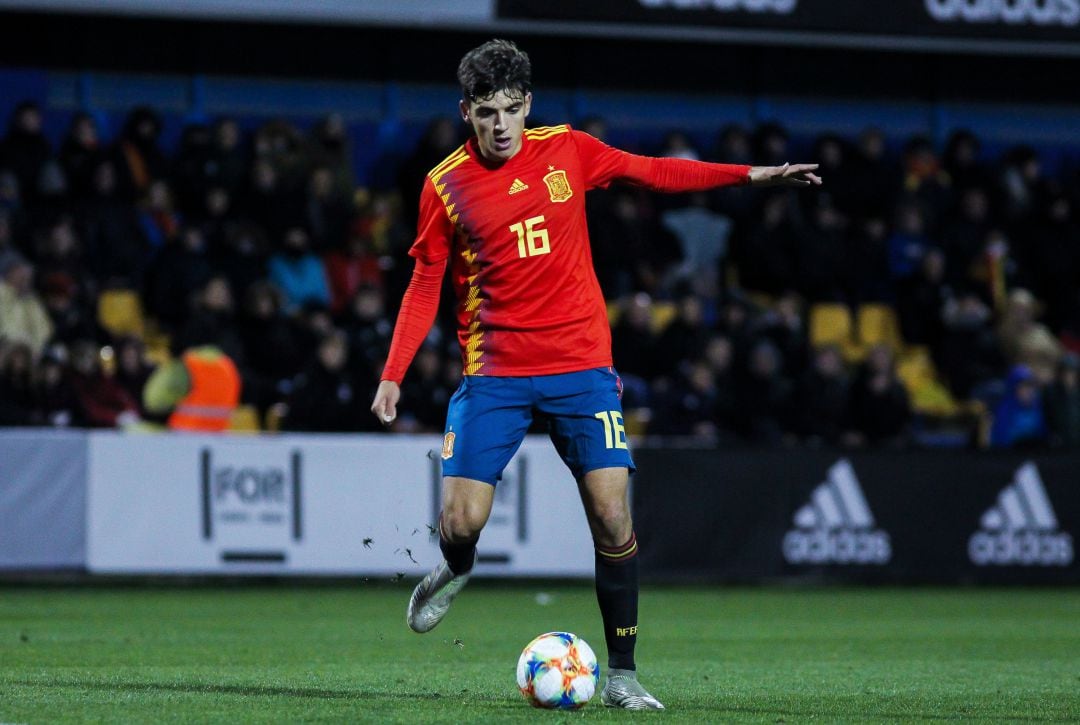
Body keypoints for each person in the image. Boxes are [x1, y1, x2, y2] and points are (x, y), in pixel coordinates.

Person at [369, 39, 820, 710]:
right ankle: (457, 567)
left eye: (510, 110)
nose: (499, 125)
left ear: (530, 106)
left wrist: (752, 176)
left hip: (580, 364)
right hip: (495, 370)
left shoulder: (569, 150)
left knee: (612, 515)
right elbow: (425, 279)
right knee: (461, 521)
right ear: (466, 112)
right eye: (485, 112)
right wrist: (392, 371)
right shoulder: (445, 184)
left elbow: (655, 172)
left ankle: (622, 674)